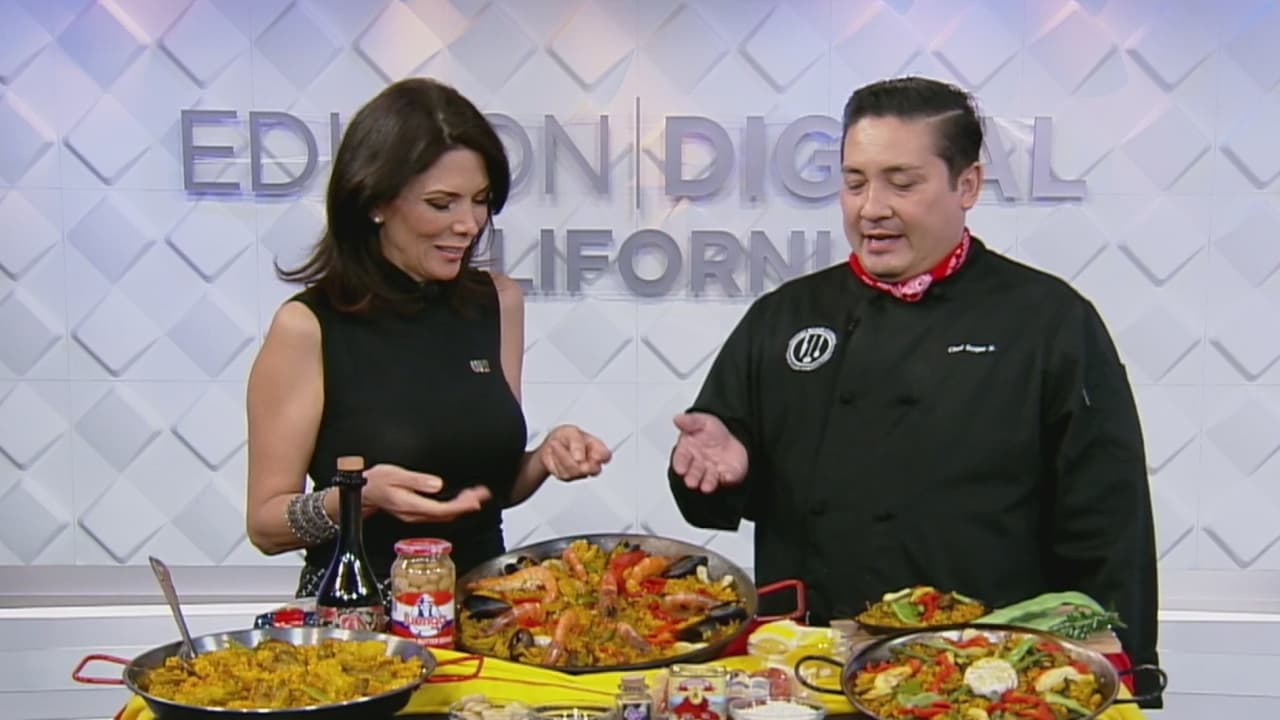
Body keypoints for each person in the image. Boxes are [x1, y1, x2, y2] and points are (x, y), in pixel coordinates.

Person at [667, 76, 1160, 704]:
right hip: (815, 673)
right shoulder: (784, 317)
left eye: (902, 184)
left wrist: (1124, 679)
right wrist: (715, 475)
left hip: (988, 682)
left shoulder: (1049, 322)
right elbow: (710, 494)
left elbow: (1109, 525)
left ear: (967, 185)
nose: (871, 208)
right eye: (855, 183)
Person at [246, 78, 612, 598]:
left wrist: (544, 459)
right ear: (375, 201)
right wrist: (358, 498)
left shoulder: (498, 302)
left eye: (480, 201)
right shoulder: (307, 326)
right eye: (442, 204)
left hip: (484, 609)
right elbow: (265, 525)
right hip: (361, 620)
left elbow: (490, 485)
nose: (469, 224)